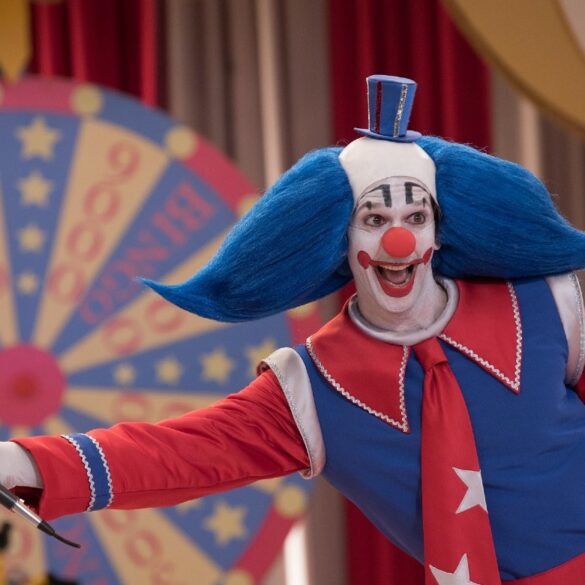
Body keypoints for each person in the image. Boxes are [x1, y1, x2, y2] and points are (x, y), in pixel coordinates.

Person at [3, 75, 585, 584]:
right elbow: (177, 454)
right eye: (374, 219)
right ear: (341, 239)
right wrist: (20, 461)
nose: (398, 240)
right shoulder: (314, 387)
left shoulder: (540, 304)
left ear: (438, 231)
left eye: (415, 217)